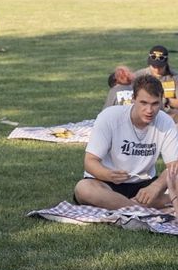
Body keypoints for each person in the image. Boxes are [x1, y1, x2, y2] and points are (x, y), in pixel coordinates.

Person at [74, 74, 178, 210]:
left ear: (161, 101)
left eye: (155, 104)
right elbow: (90, 161)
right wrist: (108, 174)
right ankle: (137, 208)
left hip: (145, 186)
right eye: (144, 103)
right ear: (133, 99)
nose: (149, 110)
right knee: (84, 189)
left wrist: (155, 187)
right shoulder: (110, 117)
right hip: (108, 184)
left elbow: (174, 166)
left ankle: (125, 206)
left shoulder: (165, 121)